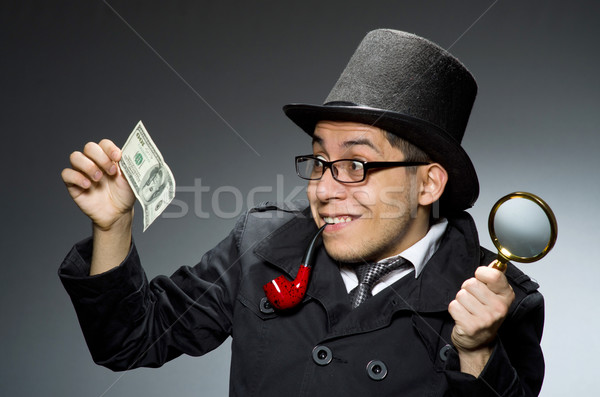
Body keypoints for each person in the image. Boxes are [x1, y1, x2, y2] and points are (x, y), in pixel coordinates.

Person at [59, 29, 544, 396]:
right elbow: (130, 341)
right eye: (319, 160)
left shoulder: (502, 305)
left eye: (355, 163)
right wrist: (113, 225)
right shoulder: (260, 243)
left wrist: (477, 353)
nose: (324, 188)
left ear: (428, 183)